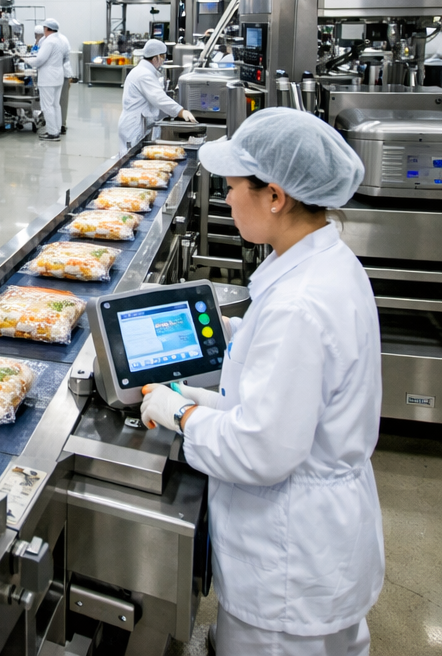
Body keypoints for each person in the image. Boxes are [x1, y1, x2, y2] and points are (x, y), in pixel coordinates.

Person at [140, 109, 384, 656]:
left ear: (275, 196)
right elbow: (284, 389)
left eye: (232, 187)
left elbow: (260, 449)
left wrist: (179, 414)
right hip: (324, 544)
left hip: (289, 566)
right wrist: (227, 349)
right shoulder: (326, 264)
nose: (227, 200)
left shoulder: (299, 305)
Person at [117, 38, 196, 154]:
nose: (163, 60)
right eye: (163, 57)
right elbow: (159, 99)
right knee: (131, 160)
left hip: (137, 122)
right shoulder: (144, 74)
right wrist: (181, 111)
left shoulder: (142, 71)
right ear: (155, 58)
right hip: (134, 126)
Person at [24, 17, 65, 140]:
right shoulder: (60, 40)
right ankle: (57, 129)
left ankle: (52, 133)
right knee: (55, 105)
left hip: (48, 78)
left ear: (47, 29)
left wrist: (24, 59)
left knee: (47, 106)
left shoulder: (49, 42)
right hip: (58, 76)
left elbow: (39, 60)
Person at [56, 25, 73, 134]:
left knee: (60, 101)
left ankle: (60, 125)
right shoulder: (62, 39)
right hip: (63, 73)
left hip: (61, 75)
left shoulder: (56, 41)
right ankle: (60, 124)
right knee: (62, 101)